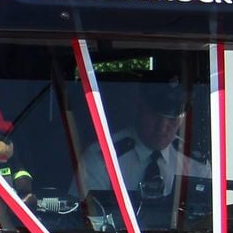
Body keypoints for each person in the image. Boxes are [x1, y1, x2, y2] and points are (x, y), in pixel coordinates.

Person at [79, 82, 205, 223]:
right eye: (155, 116)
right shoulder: (103, 157)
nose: (162, 128)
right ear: (139, 107)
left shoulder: (196, 165)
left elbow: (206, 224)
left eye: (172, 119)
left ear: (183, 118)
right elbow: (84, 220)